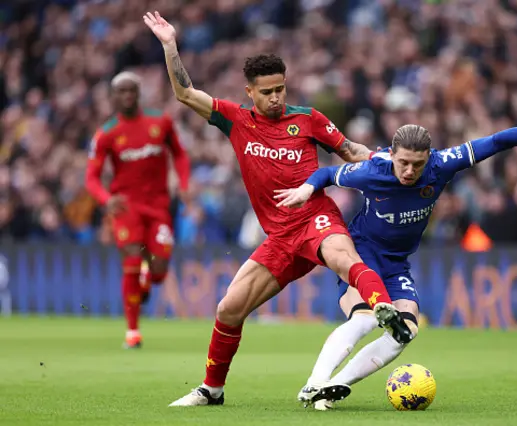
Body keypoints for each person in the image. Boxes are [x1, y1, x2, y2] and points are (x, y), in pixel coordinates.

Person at [142, 10, 413, 407]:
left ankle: (382, 308)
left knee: (342, 256)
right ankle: (211, 389)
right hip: (280, 237)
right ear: (249, 91)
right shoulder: (235, 119)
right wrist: (170, 45)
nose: (276, 98)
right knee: (230, 307)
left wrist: (385, 161)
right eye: (267, 91)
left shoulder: (307, 120)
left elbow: (350, 151)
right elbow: (185, 93)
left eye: (281, 89)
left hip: (315, 217)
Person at [275, 117, 517, 409]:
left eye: (417, 164)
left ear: (428, 157)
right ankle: (315, 382)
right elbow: (328, 174)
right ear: (391, 155)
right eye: (403, 162)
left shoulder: (441, 165)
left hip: (396, 263)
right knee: (365, 318)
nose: (409, 170)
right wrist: (307, 189)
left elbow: (493, 142)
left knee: (405, 330)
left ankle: (333, 386)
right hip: (362, 254)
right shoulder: (373, 170)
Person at [85, 71, 190, 349]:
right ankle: (133, 332)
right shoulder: (106, 134)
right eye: (122, 91)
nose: (128, 95)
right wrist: (106, 199)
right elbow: (91, 177)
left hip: (159, 206)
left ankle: (147, 279)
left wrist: (184, 182)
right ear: (113, 97)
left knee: (159, 271)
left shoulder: (161, 121)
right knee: (131, 261)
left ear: (139, 93)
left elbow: (179, 153)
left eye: (132, 90)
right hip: (126, 206)